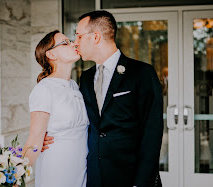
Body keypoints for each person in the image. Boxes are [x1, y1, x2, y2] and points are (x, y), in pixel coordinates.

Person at [43, 10, 163, 187]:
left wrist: (141, 183)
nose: (75, 43)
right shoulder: (84, 78)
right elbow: (82, 122)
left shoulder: (142, 73)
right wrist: (49, 136)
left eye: (78, 36)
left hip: (131, 178)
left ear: (96, 37)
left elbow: (152, 132)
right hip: (94, 177)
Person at [22, 30, 89, 187]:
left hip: (81, 170)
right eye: (65, 42)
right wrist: (14, 173)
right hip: (57, 170)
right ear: (51, 55)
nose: (73, 44)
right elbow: (35, 140)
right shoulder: (44, 89)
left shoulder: (74, 85)